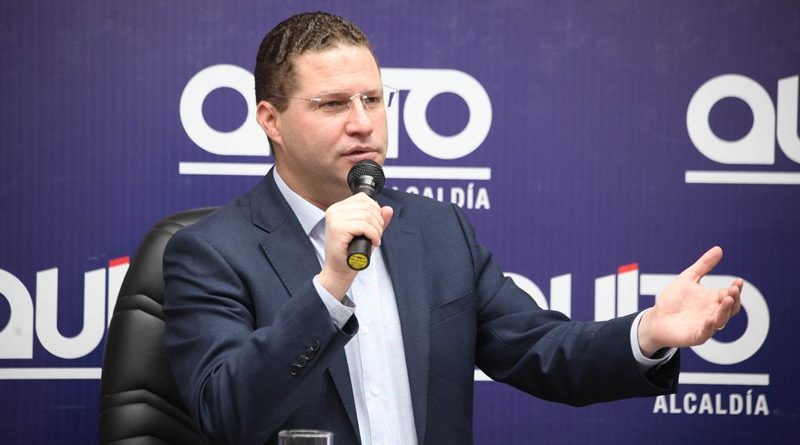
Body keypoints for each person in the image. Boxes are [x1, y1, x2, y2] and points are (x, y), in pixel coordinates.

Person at [162, 11, 743, 445]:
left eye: (373, 99)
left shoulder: (436, 231)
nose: (363, 124)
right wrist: (329, 288)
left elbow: (540, 350)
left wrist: (649, 333)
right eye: (332, 104)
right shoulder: (212, 252)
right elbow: (226, 414)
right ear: (272, 120)